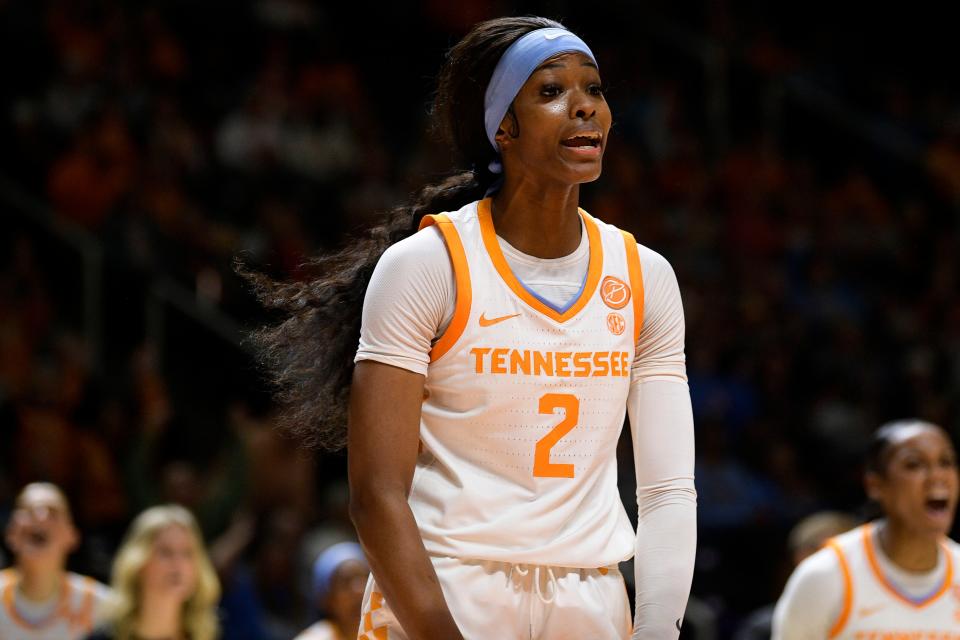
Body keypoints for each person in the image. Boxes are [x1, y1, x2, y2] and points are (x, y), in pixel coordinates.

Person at [245, 15, 696, 640]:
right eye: (551, 91)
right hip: (445, 589)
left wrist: (658, 629)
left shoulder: (647, 278)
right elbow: (377, 494)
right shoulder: (427, 267)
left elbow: (669, 488)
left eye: (594, 89)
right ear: (501, 126)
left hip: (588, 593)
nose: (585, 108)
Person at [772, 419, 960, 639]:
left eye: (946, 462)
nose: (937, 476)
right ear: (875, 485)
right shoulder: (825, 575)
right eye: (914, 464)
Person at [86, 504, 220, 640]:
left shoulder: (209, 635)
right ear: (137, 563)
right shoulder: (104, 637)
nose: (178, 564)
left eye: (187, 553)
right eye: (166, 552)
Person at [0, 482, 112, 639]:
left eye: (53, 512)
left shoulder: (102, 607)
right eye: (28, 510)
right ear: (10, 534)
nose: (41, 517)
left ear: (72, 536)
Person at [734, 511, 857, 640]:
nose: (838, 561)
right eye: (825, 553)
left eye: (846, 552)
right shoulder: (763, 628)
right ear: (800, 557)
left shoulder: (875, 615)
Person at [294, 542, 370, 640]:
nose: (359, 589)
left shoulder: (390, 630)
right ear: (327, 600)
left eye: (366, 578)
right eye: (345, 581)